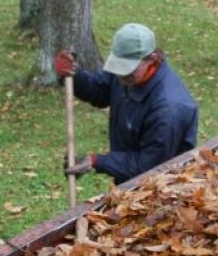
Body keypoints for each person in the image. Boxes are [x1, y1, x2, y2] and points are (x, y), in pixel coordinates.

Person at [54, 23, 199, 184]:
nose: (121, 76)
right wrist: (75, 77)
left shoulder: (168, 109)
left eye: (127, 70)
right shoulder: (128, 76)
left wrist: (97, 161)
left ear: (152, 59)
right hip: (131, 183)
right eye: (118, 69)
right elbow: (101, 91)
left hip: (160, 190)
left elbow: (149, 166)